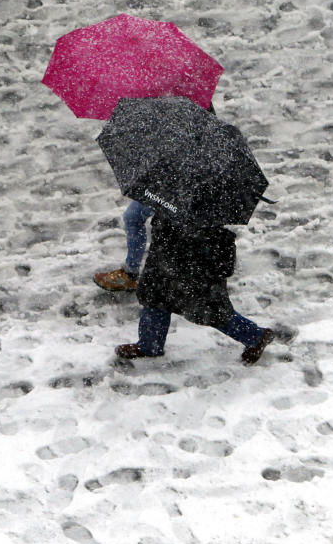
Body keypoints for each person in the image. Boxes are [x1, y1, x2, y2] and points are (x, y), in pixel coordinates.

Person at [113, 213, 274, 365]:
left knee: (207, 308)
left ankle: (255, 336)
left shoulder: (203, 192)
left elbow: (206, 219)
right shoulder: (171, 188)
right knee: (155, 293)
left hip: (195, 252)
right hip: (168, 242)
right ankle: (149, 344)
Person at [93, 100, 217, 292]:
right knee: (147, 221)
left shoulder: (184, 104)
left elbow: (189, 143)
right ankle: (147, 273)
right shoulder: (189, 99)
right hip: (170, 176)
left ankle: (134, 274)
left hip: (174, 179)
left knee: (138, 219)